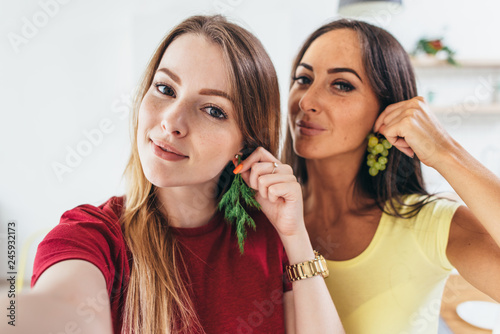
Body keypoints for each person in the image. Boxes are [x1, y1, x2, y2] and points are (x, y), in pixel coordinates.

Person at [0, 15, 344, 334]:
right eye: (165, 89)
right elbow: (60, 310)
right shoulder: (92, 235)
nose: (171, 122)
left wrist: (295, 235)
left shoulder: (267, 239)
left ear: (247, 145)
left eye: (212, 110)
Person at [283, 18, 500, 334]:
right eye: (303, 78)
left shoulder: (431, 225)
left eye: (341, 85)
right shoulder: (264, 214)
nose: (306, 101)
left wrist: (445, 151)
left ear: (388, 109)